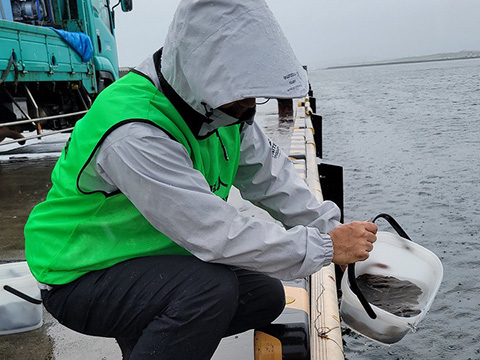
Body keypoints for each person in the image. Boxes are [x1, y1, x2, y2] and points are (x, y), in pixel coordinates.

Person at [24, 0, 377, 359]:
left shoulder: (226, 109)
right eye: (240, 94)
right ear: (203, 74)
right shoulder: (134, 131)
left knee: (265, 296)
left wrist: (333, 229)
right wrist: (326, 248)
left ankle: (144, 341)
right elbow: (216, 233)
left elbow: (273, 179)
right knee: (209, 290)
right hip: (79, 273)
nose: (249, 104)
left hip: (143, 257)